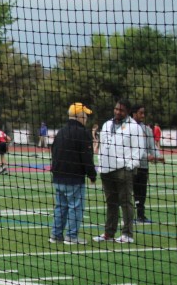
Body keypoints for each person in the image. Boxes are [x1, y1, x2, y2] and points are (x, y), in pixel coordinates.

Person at [93, 99, 145, 244]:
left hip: (123, 170)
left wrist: (130, 165)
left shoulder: (134, 127)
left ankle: (127, 234)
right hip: (106, 169)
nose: (117, 112)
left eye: (121, 110)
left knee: (125, 202)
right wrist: (101, 162)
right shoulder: (107, 124)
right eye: (116, 109)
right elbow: (102, 145)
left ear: (128, 111)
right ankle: (109, 233)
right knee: (111, 203)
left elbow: (138, 149)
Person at [49, 103, 96, 245]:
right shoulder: (82, 133)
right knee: (75, 207)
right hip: (74, 177)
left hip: (58, 176)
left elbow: (54, 152)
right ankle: (71, 236)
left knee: (60, 207)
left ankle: (56, 235)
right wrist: (92, 175)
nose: (86, 118)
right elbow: (87, 157)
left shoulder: (61, 132)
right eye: (85, 115)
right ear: (79, 116)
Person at [131, 105, 164, 225]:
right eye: (140, 113)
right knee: (129, 193)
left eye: (144, 113)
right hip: (131, 166)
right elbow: (133, 148)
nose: (143, 115)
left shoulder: (147, 129)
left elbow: (152, 147)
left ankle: (140, 216)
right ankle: (129, 217)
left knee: (142, 192)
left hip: (143, 167)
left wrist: (158, 156)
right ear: (134, 113)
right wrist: (147, 156)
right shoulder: (128, 128)